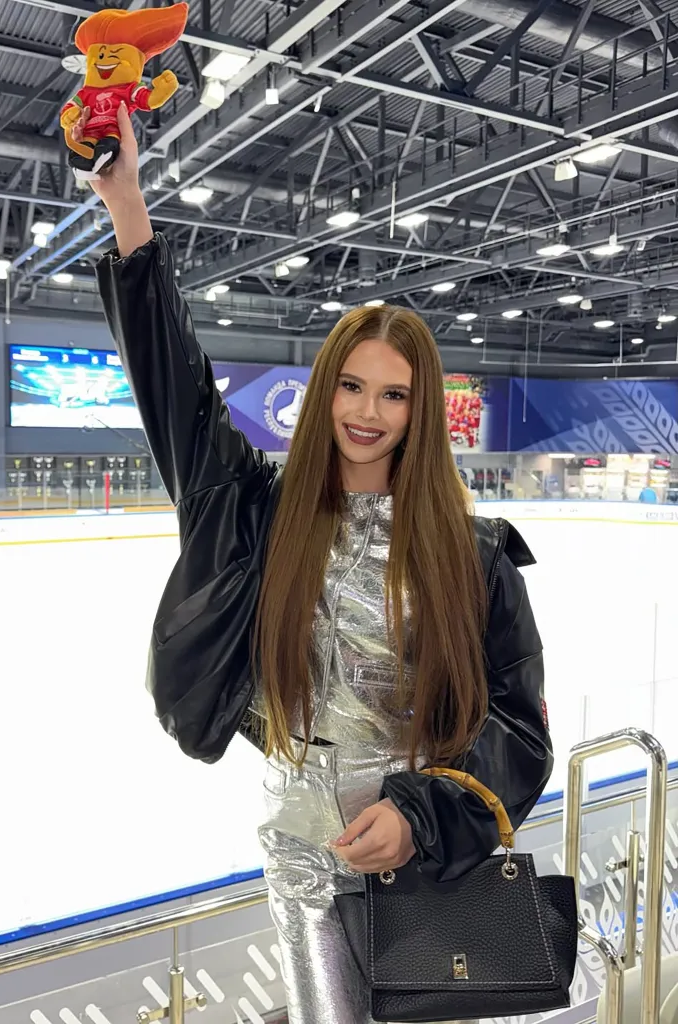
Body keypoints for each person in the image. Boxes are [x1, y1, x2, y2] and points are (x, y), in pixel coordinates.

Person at [94, 104, 553, 1024]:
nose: (367, 413)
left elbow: (519, 726)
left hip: (426, 853)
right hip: (304, 849)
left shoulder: (474, 553)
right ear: (323, 391)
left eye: (394, 394)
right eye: (350, 385)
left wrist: (421, 815)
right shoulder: (254, 511)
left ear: (421, 411)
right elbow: (176, 388)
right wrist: (125, 202)